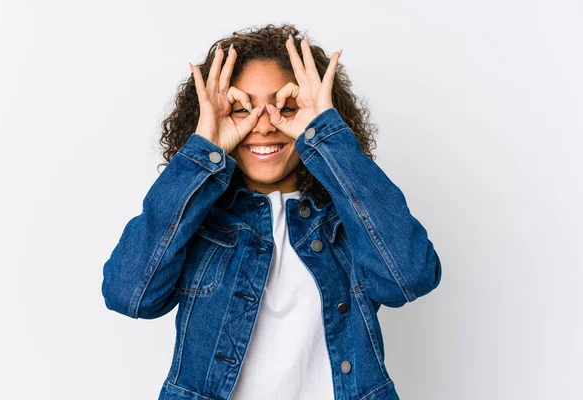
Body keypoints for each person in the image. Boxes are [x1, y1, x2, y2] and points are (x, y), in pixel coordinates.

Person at [102, 23, 442, 400]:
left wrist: (327, 138)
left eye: (287, 106)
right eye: (241, 108)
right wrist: (203, 151)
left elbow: (409, 277)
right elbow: (128, 294)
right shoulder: (202, 221)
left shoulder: (348, 220)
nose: (263, 125)